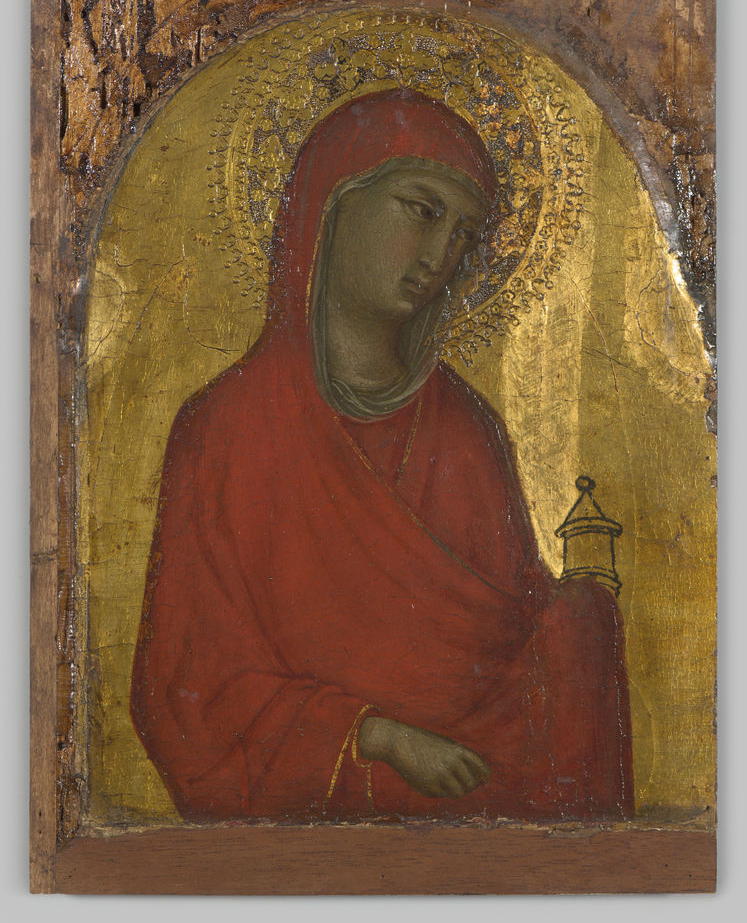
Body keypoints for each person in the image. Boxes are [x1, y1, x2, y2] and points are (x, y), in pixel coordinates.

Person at [130, 88, 633, 823]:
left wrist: (578, 624)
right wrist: (377, 736)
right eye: (422, 211)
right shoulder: (223, 428)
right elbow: (190, 693)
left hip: (476, 781)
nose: (440, 256)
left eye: (462, 235)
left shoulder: (467, 430)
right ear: (331, 202)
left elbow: (513, 638)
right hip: (311, 791)